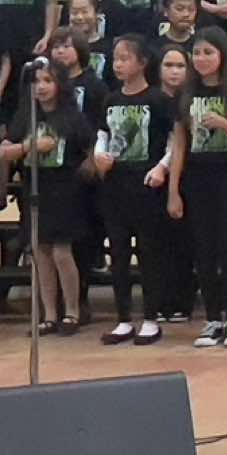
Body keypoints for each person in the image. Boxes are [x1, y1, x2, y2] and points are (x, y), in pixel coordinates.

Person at [170, 26, 227, 348]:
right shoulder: (186, 95)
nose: (201, 58)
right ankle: (212, 319)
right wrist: (174, 190)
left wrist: (224, 124)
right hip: (197, 178)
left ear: (223, 55)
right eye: (196, 53)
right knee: (204, 248)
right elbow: (179, 145)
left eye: (208, 52)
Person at [1, 59, 94, 335]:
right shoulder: (26, 117)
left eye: (47, 81)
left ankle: (72, 311)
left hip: (65, 190)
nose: (41, 87)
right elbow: (5, 150)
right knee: (41, 253)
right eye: (36, 82)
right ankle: (49, 313)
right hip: (36, 187)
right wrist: (29, 146)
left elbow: (90, 147)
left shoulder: (72, 117)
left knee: (61, 252)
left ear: (59, 85)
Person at [93, 34, 176, 344]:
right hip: (116, 185)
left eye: (125, 58)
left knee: (149, 253)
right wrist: (99, 155)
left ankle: (151, 317)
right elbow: (103, 133)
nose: (118, 64)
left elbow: (175, 139)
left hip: (147, 185)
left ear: (142, 63)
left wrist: (162, 167)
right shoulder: (111, 99)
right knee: (118, 253)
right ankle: (123, 318)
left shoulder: (158, 100)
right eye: (116, 59)